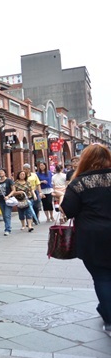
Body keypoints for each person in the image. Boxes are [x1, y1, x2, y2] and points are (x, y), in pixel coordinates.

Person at [60, 144, 111, 336]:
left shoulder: (79, 183)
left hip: (93, 236)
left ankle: (109, 319)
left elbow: (69, 210)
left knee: (102, 277)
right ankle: (105, 308)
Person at [0, 168, 15, 236]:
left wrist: (8, 196)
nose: (1, 173)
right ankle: (8, 226)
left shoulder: (9, 180)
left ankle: (7, 229)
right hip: (0, 200)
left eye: (2, 171)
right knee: (4, 215)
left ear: (5, 173)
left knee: (7, 214)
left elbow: (13, 190)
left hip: (8, 200)